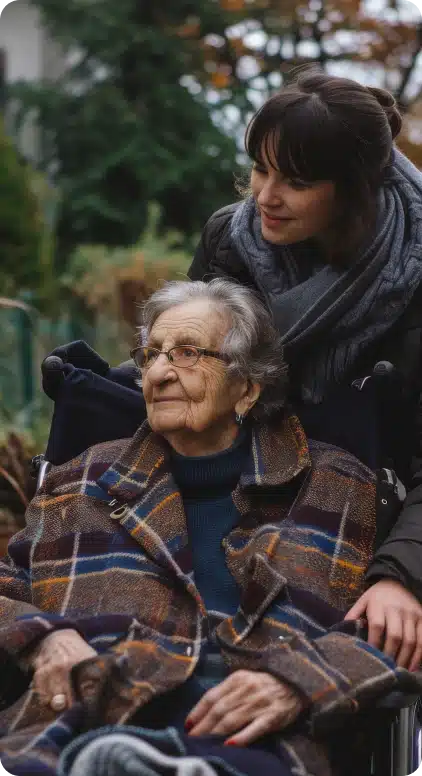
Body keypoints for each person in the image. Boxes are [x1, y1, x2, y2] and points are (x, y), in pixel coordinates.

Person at [0, 279, 420, 776]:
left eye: (187, 354)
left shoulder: (333, 486)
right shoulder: (81, 480)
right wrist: (43, 637)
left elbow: (385, 632)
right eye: (151, 355)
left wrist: (300, 681)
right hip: (76, 725)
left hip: (251, 743)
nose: (158, 373)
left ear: (247, 387)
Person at [187, 68, 422, 667]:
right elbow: (194, 376)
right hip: (245, 485)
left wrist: (400, 578)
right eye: (260, 169)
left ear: (354, 189)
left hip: (381, 504)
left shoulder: (414, 274)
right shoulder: (229, 240)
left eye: (295, 181)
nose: (265, 196)